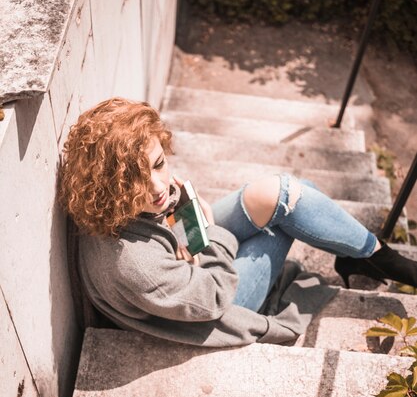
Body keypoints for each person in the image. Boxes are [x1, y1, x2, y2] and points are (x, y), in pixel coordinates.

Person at [59, 97, 417, 347]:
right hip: (218, 306)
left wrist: (181, 223)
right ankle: (370, 256)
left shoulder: (107, 204)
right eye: (133, 178)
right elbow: (213, 298)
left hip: (180, 264)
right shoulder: (135, 265)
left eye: (157, 164)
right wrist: (211, 236)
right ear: (108, 185)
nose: (158, 186)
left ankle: (367, 251)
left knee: (284, 193)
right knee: (282, 221)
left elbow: (159, 242)